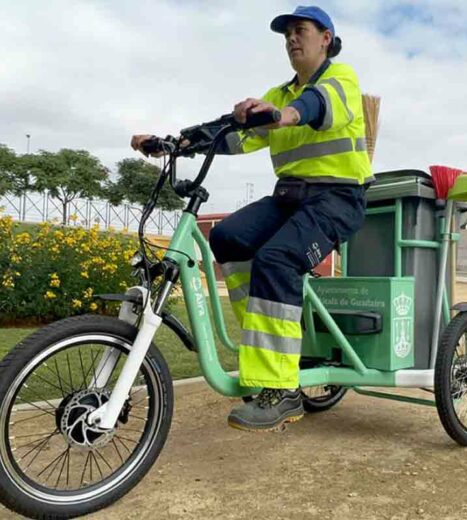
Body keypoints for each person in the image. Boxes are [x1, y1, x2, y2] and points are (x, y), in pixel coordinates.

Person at [131, 6, 373, 431]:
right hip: (290, 199)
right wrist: (174, 142)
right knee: (226, 238)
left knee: (277, 259)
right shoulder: (277, 94)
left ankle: (282, 390)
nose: (291, 40)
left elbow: (316, 107)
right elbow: (233, 135)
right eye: (286, 35)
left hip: (337, 199)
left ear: (326, 39)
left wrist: (283, 115)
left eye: (300, 31)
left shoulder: (341, 79)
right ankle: (264, 351)